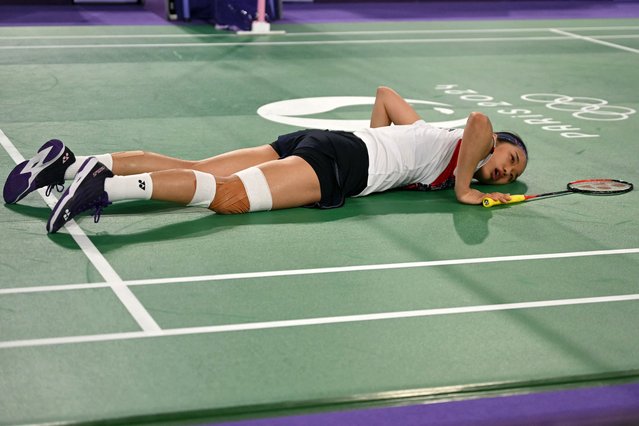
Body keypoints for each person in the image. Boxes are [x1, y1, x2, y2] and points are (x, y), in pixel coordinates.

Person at [3, 86, 528, 234]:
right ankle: (103, 187)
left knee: (201, 170)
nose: (505, 171)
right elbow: (481, 119)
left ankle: (73, 163)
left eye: (511, 173)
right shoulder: (467, 143)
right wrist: (463, 188)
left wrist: (386, 150)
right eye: (508, 157)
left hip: (324, 143)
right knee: (228, 198)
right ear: (494, 145)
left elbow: (387, 96)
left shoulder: (431, 136)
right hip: (340, 164)